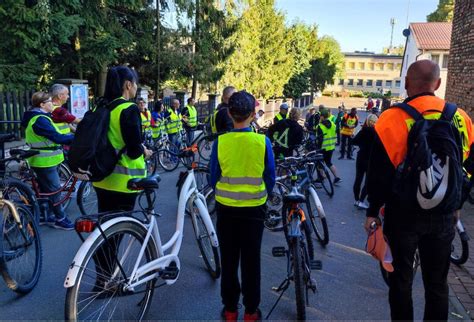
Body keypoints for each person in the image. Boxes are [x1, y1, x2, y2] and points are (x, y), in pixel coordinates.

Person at [364, 60, 474, 321]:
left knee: (400, 280)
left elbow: (378, 173)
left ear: (405, 85)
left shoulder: (390, 119)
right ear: (437, 84)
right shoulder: (461, 118)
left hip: (403, 215)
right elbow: (468, 166)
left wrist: (372, 213)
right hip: (444, 214)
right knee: (437, 283)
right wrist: (456, 202)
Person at [210, 90, 275, 321]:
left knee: (229, 260)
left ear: (229, 113)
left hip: (226, 210)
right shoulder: (262, 142)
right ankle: (250, 311)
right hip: (254, 211)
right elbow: (270, 178)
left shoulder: (221, 142)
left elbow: (212, 178)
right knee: (251, 261)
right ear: (252, 115)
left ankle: (229, 310)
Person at [21, 91, 75, 230]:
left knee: (46, 191)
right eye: (50, 101)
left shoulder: (41, 117)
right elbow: (56, 137)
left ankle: (47, 216)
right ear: (42, 104)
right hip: (44, 162)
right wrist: (76, 138)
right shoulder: (40, 120)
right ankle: (60, 218)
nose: (53, 103)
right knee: (54, 191)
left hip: (47, 160)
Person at [351, 114, 378, 209]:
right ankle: (361, 200)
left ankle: (356, 199)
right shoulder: (377, 133)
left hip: (361, 156)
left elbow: (353, 141)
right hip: (371, 158)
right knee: (368, 181)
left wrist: (361, 143)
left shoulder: (363, 131)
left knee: (358, 178)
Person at [317, 109, 342, 184]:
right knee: (329, 163)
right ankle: (337, 177)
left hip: (322, 148)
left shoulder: (320, 126)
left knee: (319, 163)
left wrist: (317, 148)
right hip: (331, 147)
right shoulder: (333, 124)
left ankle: (321, 178)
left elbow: (320, 139)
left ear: (322, 117)